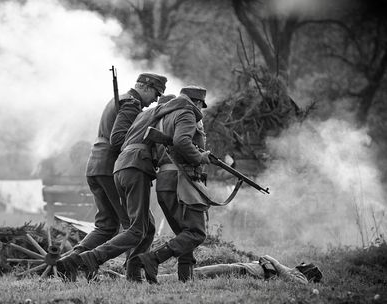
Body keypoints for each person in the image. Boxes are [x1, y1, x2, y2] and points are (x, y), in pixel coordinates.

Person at [57, 72, 168, 282]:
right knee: (139, 227)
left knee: (107, 226)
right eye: (156, 93)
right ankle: (132, 275)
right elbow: (118, 139)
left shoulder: (120, 100)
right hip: (111, 167)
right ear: (145, 87)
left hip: (96, 165)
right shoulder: (131, 104)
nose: (156, 99)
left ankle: (70, 262)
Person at [138, 86, 212, 284]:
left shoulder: (163, 116)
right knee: (196, 233)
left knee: (184, 233)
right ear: (197, 103)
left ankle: (185, 280)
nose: (200, 110)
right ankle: (153, 258)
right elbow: (181, 141)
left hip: (165, 179)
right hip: (182, 180)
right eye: (200, 106)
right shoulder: (186, 113)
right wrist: (200, 157)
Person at [185, 255, 323, 284]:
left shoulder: (301, 279)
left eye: (305, 266)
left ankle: (167, 277)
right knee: (200, 272)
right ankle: (171, 276)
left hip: (244, 271)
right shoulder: (293, 272)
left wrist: (274, 262)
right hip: (243, 267)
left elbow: (297, 282)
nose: (302, 264)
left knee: (198, 273)